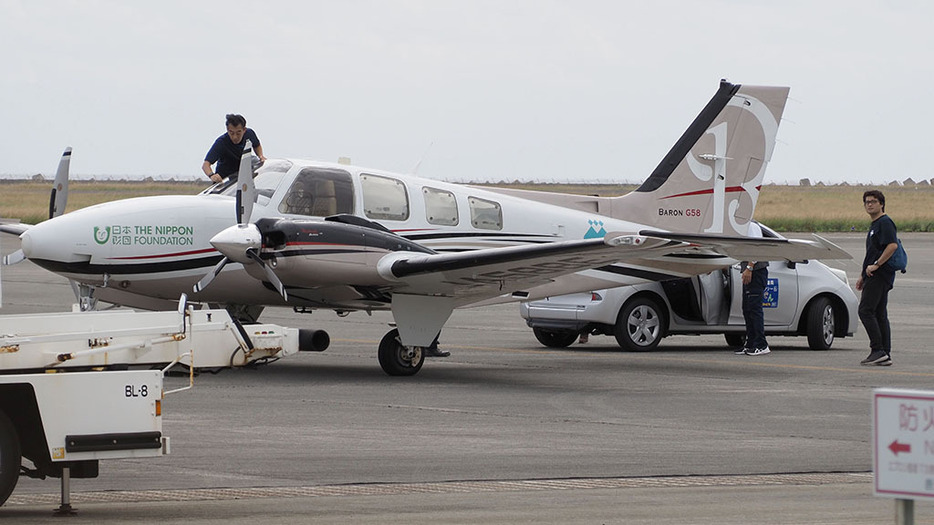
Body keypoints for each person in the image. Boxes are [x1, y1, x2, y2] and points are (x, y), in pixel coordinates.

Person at [856, 190, 898, 366]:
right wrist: (862, 275)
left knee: (865, 310)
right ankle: (884, 353)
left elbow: (892, 246)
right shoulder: (875, 224)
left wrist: (877, 265)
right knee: (879, 313)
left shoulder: (885, 222)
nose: (869, 204)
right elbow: (871, 252)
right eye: (867, 202)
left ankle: (878, 349)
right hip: (873, 274)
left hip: (880, 274)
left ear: (881, 204)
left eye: (873, 201)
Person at [736, 221, 770, 356]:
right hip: (748, 272)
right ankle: (750, 343)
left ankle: (761, 345)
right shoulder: (740, 226)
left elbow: (756, 248)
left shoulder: (752, 226)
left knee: (755, 309)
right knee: (747, 309)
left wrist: (749, 268)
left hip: (756, 272)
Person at [202, 114, 266, 183]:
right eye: (231, 133)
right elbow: (205, 165)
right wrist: (212, 175)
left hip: (243, 173)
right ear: (227, 130)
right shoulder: (221, 142)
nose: (235, 137)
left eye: (238, 133)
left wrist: (260, 156)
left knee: (254, 160)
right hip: (225, 179)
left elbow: (257, 145)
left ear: (244, 130)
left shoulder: (250, 134)